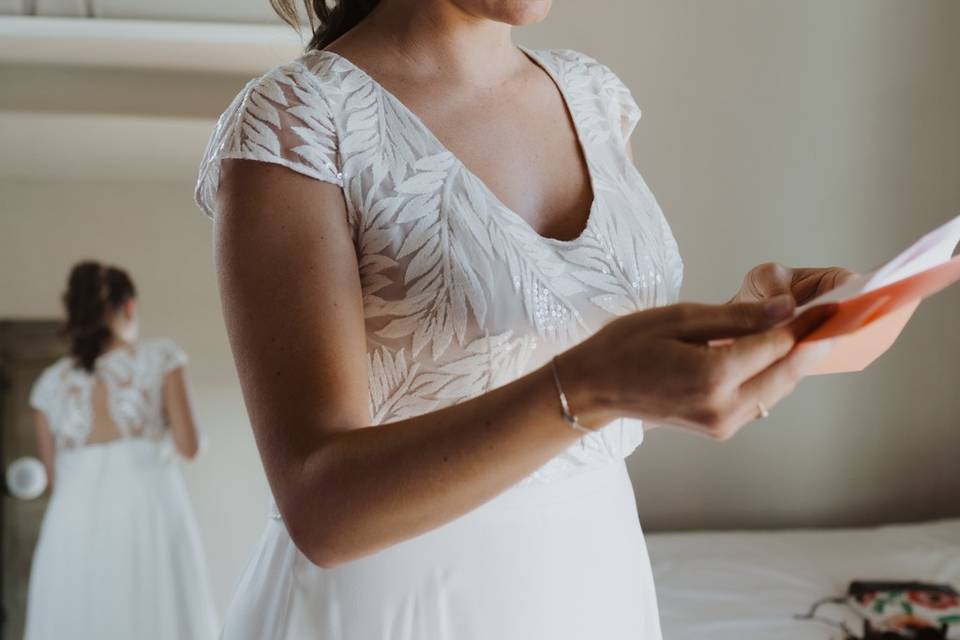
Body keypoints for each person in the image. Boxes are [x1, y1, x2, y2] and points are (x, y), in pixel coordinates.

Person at [194, 1, 853, 638]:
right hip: (401, 605)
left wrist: (748, 324)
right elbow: (321, 507)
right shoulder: (297, 122)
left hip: (594, 578)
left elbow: (561, 346)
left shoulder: (593, 96)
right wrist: (592, 387)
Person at [24, 261, 218, 640]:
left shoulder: (49, 384)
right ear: (129, 306)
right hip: (145, 507)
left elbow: (53, 480)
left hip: (72, 519)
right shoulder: (160, 357)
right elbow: (189, 447)